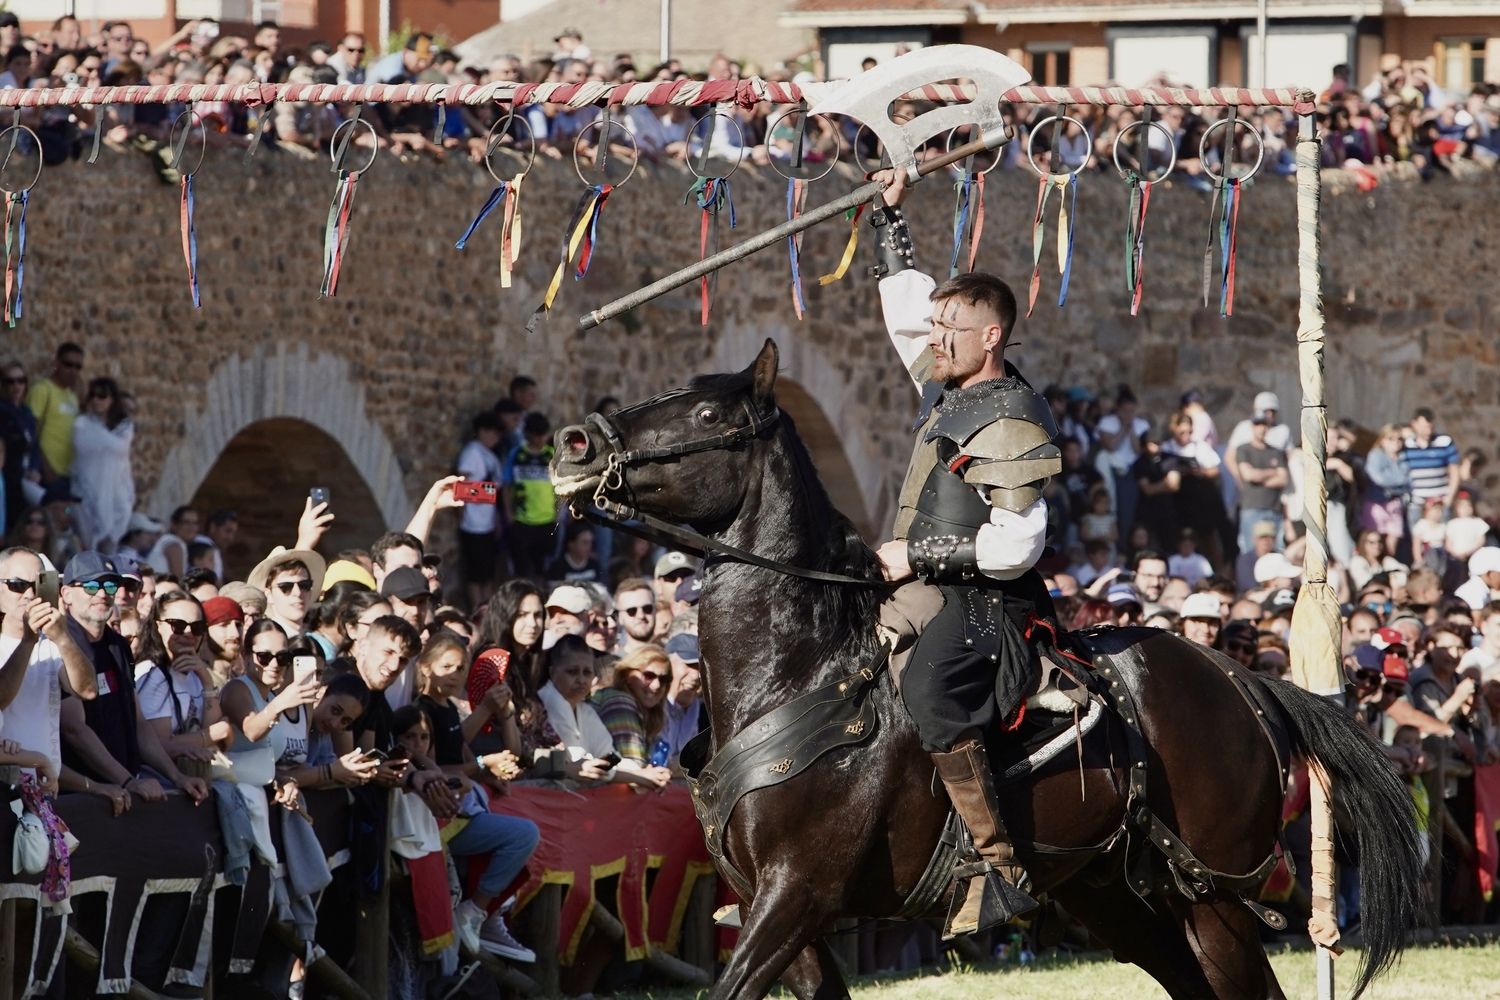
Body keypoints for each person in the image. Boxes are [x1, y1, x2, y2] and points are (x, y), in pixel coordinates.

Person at [867, 169, 1060, 933]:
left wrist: (918, 558)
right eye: (934, 329)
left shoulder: (1009, 415)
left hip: (984, 600)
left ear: (992, 337)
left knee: (932, 697)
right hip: (924, 586)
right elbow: (909, 319)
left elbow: (1018, 544)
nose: (930, 342)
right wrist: (888, 218)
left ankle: (998, 866)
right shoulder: (953, 386)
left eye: (947, 333)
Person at [403, 632, 539, 959]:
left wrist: (487, 771)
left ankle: (486, 916)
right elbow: (437, 767)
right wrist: (481, 764)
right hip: (440, 816)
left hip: (462, 807)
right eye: (446, 666)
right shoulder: (423, 712)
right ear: (424, 668)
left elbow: (461, 749)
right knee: (524, 836)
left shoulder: (447, 707)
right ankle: (476, 910)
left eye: (461, 668)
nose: (454, 674)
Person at [58, 552, 209, 807]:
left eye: (110, 585)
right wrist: (127, 781)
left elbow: (137, 721)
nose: (102, 594)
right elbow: (74, 730)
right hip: (78, 796)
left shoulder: (118, 645)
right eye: (91, 586)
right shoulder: (57, 644)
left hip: (123, 789)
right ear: (66, 594)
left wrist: (176, 777)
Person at [0, 546, 97, 790]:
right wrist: (27, 642)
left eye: (39, 585)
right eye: (17, 585)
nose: (29, 594)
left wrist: (63, 638)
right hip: (6, 787)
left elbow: (87, 691)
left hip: (44, 786)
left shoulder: (52, 641)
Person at [133, 590, 231, 766]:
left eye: (197, 627)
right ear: (158, 626)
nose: (188, 633)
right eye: (177, 625)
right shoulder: (151, 675)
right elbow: (158, 746)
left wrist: (207, 681)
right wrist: (212, 734)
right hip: (162, 780)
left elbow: (221, 739)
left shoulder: (195, 673)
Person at [589, 644, 673, 787]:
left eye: (663, 679)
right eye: (649, 676)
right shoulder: (619, 701)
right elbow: (634, 769)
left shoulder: (647, 711)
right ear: (626, 675)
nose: (657, 685)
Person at [70, 376, 134, 551]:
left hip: (116, 493)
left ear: (112, 399)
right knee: (88, 546)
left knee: (110, 550)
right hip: (88, 491)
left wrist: (104, 440)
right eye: (93, 396)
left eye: (102, 396)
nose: (97, 400)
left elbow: (120, 448)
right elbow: (83, 445)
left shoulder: (124, 426)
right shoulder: (82, 424)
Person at [456, 412, 506, 609]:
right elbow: (461, 488)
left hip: (487, 522)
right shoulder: (471, 454)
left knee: (487, 573)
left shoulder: (489, 454)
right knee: (476, 574)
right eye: (492, 433)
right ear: (481, 432)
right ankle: (478, 610)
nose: (496, 438)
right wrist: (491, 492)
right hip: (473, 524)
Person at [25, 342, 83, 485]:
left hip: (68, 474)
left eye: (78, 366)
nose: (73, 370)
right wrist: (46, 470)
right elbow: (30, 434)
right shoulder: (42, 390)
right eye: (68, 364)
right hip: (47, 474)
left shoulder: (72, 396)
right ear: (57, 363)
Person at [1234, 415, 1289, 553]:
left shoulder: (1275, 452)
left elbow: (1283, 479)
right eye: (1258, 425)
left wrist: (1259, 478)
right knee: (1251, 549)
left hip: (1273, 508)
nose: (1262, 429)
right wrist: (1273, 472)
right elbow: (1249, 475)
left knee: (1276, 550)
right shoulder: (1244, 449)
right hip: (1252, 507)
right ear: (1252, 427)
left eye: (1265, 425)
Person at [248, 547, 326, 639]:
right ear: (268, 595)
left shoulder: (319, 641)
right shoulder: (264, 642)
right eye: (286, 587)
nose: (297, 592)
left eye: (304, 585)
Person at [146, 506, 200, 578]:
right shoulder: (174, 544)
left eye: (195, 523)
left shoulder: (170, 540)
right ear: (174, 524)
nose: (191, 527)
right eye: (186, 522)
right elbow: (178, 578)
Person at [613, 577, 657, 655]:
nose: (641, 615)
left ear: (655, 610)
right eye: (632, 611)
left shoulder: (673, 657)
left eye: (647, 608)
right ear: (620, 617)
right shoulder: (614, 665)